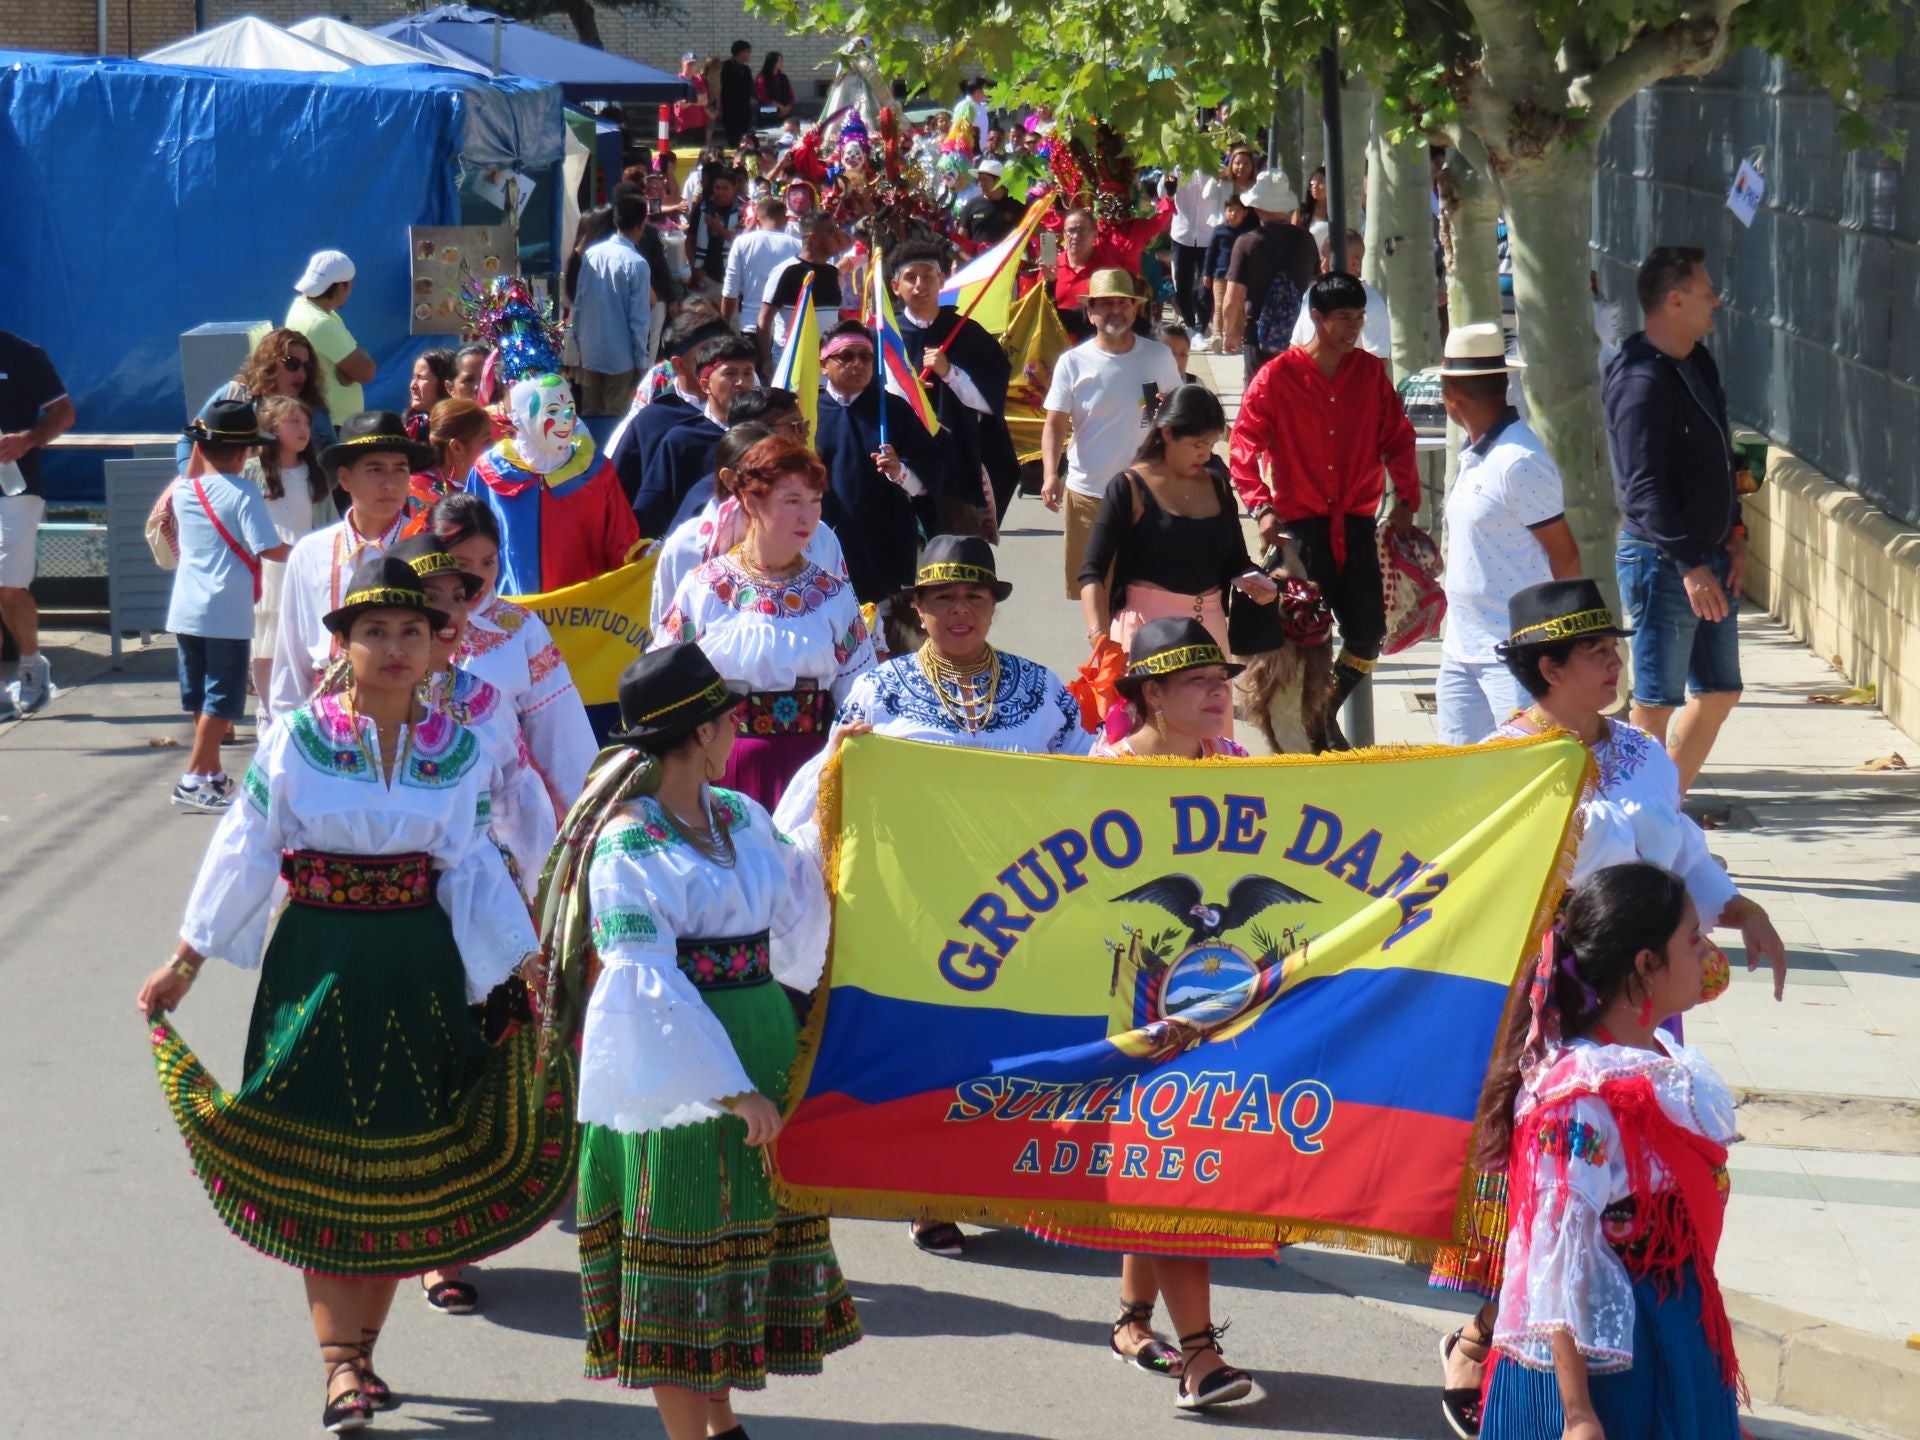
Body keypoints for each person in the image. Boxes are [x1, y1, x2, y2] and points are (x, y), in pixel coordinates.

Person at [136, 554, 576, 1434]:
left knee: (396, 1162)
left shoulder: (458, 748)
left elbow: (473, 870)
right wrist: (188, 958)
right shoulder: (300, 738)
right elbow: (247, 845)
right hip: (318, 961)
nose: (396, 645)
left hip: (418, 967)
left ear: (438, 646)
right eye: (375, 630)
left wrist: (524, 964)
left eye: (413, 629)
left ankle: (363, 1356)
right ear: (343, 644)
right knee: (323, 1150)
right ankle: (340, 1366)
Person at [1430, 578, 1787, 1435]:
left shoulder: (1640, 753)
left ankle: (1620, 1354)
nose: (1611, 661)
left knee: (1629, 1186)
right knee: (1558, 1186)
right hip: (1552, 1007)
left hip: (1641, 998)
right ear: (1547, 668)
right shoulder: (1503, 767)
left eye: (1610, 645)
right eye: (1591, 651)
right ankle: (1523, 1366)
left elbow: (1682, 847)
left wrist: (1739, 909)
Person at [542, 643, 858, 1437]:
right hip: (675, 1067)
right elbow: (640, 979)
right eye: (727, 720)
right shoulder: (628, 842)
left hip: (757, 1037)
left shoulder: (741, 816)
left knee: (721, 1253)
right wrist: (727, 1085)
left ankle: (720, 1426)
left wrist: (845, 795)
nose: (737, 732)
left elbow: (798, 914)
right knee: (677, 1247)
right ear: (706, 732)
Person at [1049, 616, 1256, 1411]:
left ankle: (1135, 1319)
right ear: (1153, 697)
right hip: (1130, 1001)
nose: (1219, 693)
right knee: (1173, 1164)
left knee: (1161, 1162)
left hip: (1220, 996)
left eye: (1222, 680)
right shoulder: (1096, 773)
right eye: (1200, 684)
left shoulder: (1239, 764)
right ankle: (1201, 1357)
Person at [1473, 863, 1747, 1440]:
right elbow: (1557, 1256)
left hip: (1680, 1332)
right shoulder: (1579, 1099)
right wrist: (1577, 1414)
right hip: (1610, 1357)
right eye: (1692, 939)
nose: (1707, 954)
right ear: (1646, 965)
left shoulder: (1663, 1066)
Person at [1228, 272, 1420, 748]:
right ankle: (1304, 737)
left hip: (1355, 524)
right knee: (1306, 638)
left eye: (1358, 317)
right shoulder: (1277, 375)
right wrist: (1261, 508)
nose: (1353, 327)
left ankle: (1326, 709)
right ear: (1316, 317)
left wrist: (1407, 500)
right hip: (1299, 530)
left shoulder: (1371, 373)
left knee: (1367, 633)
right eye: (1342, 318)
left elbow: (1398, 438)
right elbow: (1242, 446)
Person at [655, 435, 874, 807]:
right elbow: (663, 679)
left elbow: (860, 692)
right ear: (751, 501)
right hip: (720, 768)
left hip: (811, 769)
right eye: (792, 501)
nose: (808, 516)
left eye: (815, 501)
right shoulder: (705, 586)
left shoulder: (833, 594)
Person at [1604, 245, 1748, 793]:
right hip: (1664, 562)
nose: (1717, 300)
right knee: (1654, 703)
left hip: (1709, 556)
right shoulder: (1640, 380)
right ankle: (1627, 835)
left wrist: (1736, 534)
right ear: (1675, 299)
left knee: (1719, 691)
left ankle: (1660, 815)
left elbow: (1720, 453)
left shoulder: (1697, 360)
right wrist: (1691, 565)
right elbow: (1642, 489)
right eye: (1708, 291)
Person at [1435, 325, 1581, 746]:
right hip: (1460, 649)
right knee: (1458, 777)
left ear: (1452, 396)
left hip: (1515, 657)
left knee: (1523, 773)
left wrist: (1562, 650)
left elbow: (1566, 558)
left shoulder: (1520, 461)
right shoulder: (1474, 452)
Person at [464, 278, 640, 596]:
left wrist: (642, 558)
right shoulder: (489, 473)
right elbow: (466, 543)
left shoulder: (595, 472)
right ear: (516, 416)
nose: (563, 420)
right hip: (511, 618)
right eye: (547, 410)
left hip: (581, 620)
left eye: (568, 407)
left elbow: (621, 544)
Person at [1079, 383, 1276, 664]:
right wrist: (1099, 636)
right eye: (1197, 445)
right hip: (1145, 632)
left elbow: (1237, 561)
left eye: (1211, 444)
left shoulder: (1218, 485)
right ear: (1167, 432)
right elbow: (1092, 571)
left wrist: (1259, 585)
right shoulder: (1129, 486)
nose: (1206, 455)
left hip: (1210, 632)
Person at [428, 493, 599, 815]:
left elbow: (560, 731)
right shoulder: (408, 623)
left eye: (488, 562)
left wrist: (585, 819)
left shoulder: (519, 628)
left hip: (503, 809)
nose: (477, 578)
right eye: (461, 565)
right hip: (420, 803)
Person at [165, 400, 289, 810]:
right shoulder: (244, 491)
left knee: (200, 695)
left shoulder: (183, 489)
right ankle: (193, 777)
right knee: (224, 698)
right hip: (226, 611)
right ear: (243, 452)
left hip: (185, 606)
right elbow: (269, 549)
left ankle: (212, 773)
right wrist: (310, 549)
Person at [269, 410, 429, 722]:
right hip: (328, 708)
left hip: (413, 707)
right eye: (375, 469)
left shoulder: (425, 546)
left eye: (400, 470)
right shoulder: (311, 551)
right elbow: (291, 652)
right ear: (345, 478)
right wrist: (282, 730)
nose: (389, 483)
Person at [1040, 270, 1184, 600]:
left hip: (1146, 494)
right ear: (1090, 312)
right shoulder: (1073, 362)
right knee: (1095, 588)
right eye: (1105, 304)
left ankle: (1135, 649)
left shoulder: (1157, 357)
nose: (1115, 311)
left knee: (1144, 588)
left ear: (1135, 310)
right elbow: (1055, 424)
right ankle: (1104, 649)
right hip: (1088, 493)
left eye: (1123, 303)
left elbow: (1170, 415)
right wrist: (1050, 474)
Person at [811, 321, 951, 605]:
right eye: (847, 356)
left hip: (884, 538)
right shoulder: (807, 413)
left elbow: (931, 474)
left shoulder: (893, 410)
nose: (857, 364)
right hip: (821, 539)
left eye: (865, 357)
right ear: (824, 364)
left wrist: (901, 472)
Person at [889, 239, 1020, 527]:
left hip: (956, 458)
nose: (920, 285)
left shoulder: (968, 334)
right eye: (910, 278)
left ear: (941, 280)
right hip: (901, 459)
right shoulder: (886, 336)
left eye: (927, 276)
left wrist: (949, 372)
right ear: (896, 286)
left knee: (957, 545)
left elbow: (990, 402)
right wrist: (906, 394)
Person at [242, 396, 335, 715]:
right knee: (265, 645)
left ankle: (298, 708)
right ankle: (268, 710)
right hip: (268, 568)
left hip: (305, 567)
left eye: (306, 422)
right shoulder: (252, 471)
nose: (303, 428)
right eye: (293, 421)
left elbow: (328, 522)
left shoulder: (315, 471)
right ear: (271, 428)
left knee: (302, 643)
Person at [0, 328, 74, 720]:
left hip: (15, 489)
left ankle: (32, 663)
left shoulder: (23, 354)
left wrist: (28, 439)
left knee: (9, 589)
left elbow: (64, 413)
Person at [636, 333, 760, 536]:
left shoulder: (764, 437)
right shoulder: (682, 440)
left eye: (748, 373)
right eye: (730, 374)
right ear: (705, 384)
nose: (741, 382)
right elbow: (653, 511)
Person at [608, 310, 731, 505]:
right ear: (678, 365)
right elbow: (617, 494)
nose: (719, 363)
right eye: (707, 354)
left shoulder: (747, 414)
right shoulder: (652, 422)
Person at [174, 326, 336, 475]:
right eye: (292, 364)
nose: (301, 373)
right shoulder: (235, 396)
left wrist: (318, 491)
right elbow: (189, 439)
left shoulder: (316, 409)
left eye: (307, 367)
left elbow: (333, 460)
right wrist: (190, 480)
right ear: (269, 364)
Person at [1220, 172, 1319, 383]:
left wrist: (1230, 333)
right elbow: (1314, 284)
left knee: (1258, 398)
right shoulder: (1306, 241)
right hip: (1299, 335)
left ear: (1255, 206)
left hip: (1258, 334)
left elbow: (1232, 298)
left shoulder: (1247, 242)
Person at [569, 197, 651, 419]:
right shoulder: (637, 264)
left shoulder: (591, 255)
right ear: (641, 223)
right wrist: (642, 361)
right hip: (622, 357)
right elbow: (639, 320)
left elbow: (579, 301)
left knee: (590, 415)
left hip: (591, 351)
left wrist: (577, 342)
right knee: (617, 419)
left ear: (615, 220)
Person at [285, 250, 375, 427]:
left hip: (325, 422)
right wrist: (350, 369)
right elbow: (366, 372)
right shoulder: (320, 322)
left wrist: (347, 370)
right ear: (341, 287)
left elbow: (352, 371)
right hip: (330, 427)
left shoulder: (304, 309)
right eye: (349, 285)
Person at [1290, 229, 1391, 358]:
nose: (1323, 265)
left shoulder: (1372, 303)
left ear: (1354, 264)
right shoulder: (1312, 293)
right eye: (1323, 257)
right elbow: (1296, 344)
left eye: (1330, 258)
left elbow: (1377, 360)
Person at [721, 194, 800, 340]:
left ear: (757, 220)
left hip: (751, 324)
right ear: (787, 220)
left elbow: (730, 288)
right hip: (787, 329)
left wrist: (724, 324)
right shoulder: (797, 246)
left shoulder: (742, 242)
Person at [1168, 161, 1230, 333]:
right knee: (1182, 282)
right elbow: (1162, 192)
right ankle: (1189, 323)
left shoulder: (1216, 167)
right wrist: (1168, 179)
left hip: (1208, 236)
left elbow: (1228, 192)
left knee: (1205, 285)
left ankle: (1202, 325)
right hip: (1182, 234)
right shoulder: (1177, 166)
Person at [412, 396, 495, 513]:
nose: (494, 448)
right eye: (487, 441)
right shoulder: (417, 492)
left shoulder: (486, 486)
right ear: (457, 448)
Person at [1200, 196, 1258, 355]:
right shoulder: (1219, 231)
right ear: (1225, 212)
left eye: (1237, 210)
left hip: (1241, 275)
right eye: (1230, 210)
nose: (1233, 213)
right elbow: (1210, 253)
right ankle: (1217, 334)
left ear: (1245, 213)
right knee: (1219, 305)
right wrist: (1206, 273)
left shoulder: (1247, 233)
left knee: (1239, 306)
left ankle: (1238, 337)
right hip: (1220, 273)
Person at [688, 166, 746, 295]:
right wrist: (694, 267)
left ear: (734, 187)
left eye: (725, 188)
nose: (720, 192)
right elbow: (689, 240)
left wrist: (718, 228)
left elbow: (741, 242)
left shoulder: (744, 210)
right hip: (706, 275)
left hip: (733, 276)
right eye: (717, 188)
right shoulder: (703, 208)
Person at [955, 159, 1024, 248]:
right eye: (979, 180)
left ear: (998, 181)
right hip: (981, 260)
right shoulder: (971, 205)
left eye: (984, 179)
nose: (980, 184)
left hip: (1009, 259)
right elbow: (962, 241)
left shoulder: (1016, 205)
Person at [403, 349, 455, 442]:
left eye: (421, 378)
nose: (413, 386)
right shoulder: (411, 426)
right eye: (414, 377)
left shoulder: (460, 431)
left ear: (445, 384)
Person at [719, 39, 756, 146]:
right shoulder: (726, 67)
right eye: (748, 52)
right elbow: (720, 88)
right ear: (741, 52)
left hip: (744, 108)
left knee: (744, 136)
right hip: (729, 108)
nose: (749, 55)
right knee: (733, 136)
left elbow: (750, 88)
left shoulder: (746, 69)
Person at [673, 51, 710, 140]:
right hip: (684, 125)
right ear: (682, 64)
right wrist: (697, 99)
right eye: (689, 63)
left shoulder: (699, 80)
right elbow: (681, 104)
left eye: (693, 63)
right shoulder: (677, 80)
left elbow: (705, 101)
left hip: (700, 124)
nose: (691, 66)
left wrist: (689, 99)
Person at [1293, 166, 1331, 246]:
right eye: (1312, 183)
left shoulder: (1339, 212)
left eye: (1321, 183)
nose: (1315, 187)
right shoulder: (1302, 211)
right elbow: (1293, 237)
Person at [757, 49, 795, 120]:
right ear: (772, 62)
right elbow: (762, 97)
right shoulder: (762, 78)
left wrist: (788, 108)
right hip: (766, 109)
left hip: (784, 109)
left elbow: (791, 95)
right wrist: (780, 107)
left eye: (782, 61)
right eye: (779, 61)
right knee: (764, 110)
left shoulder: (783, 77)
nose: (782, 63)